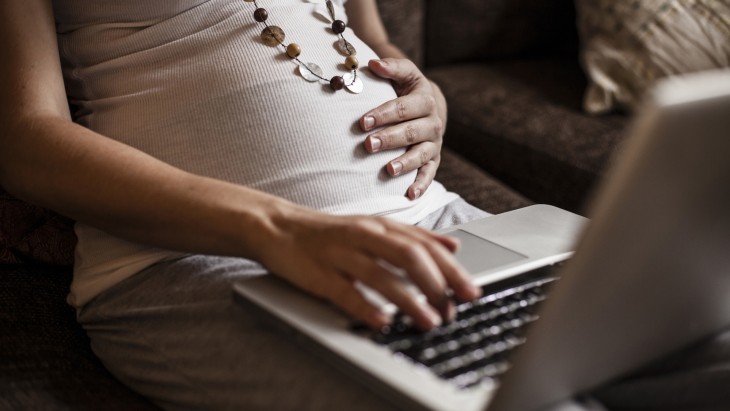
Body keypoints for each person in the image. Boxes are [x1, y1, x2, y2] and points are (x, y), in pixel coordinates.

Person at [0, 0, 487, 410]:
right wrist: (279, 227)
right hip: (198, 259)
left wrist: (429, 100)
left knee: (558, 343)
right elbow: (26, 141)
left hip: (427, 217)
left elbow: (372, 39)